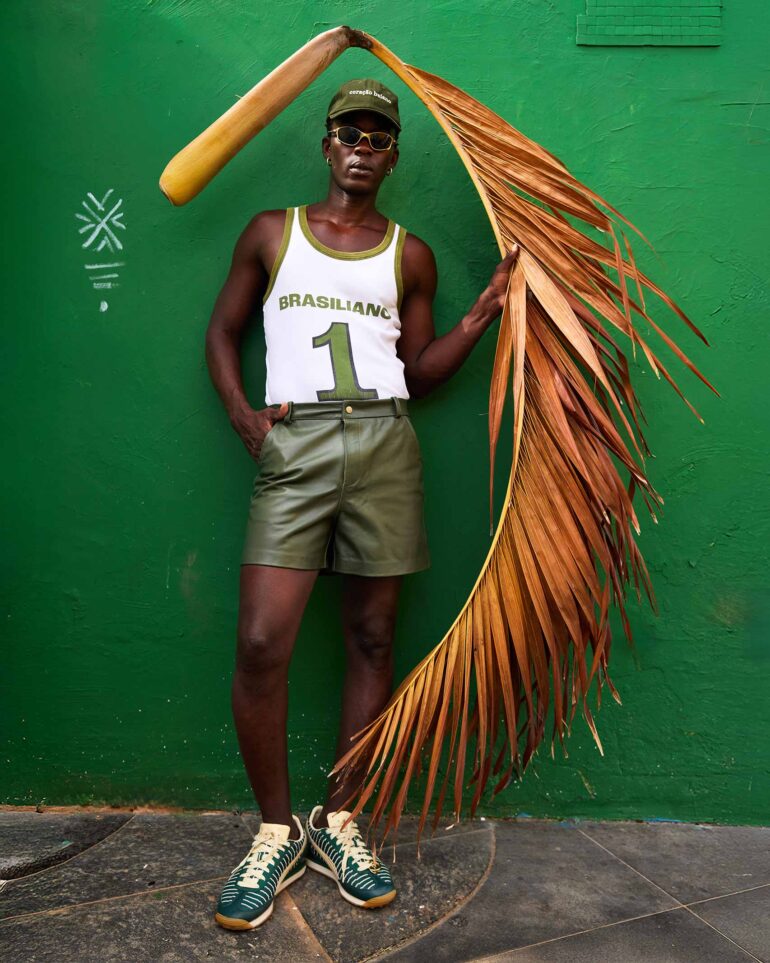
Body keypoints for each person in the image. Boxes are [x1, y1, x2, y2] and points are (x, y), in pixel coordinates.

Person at [205, 77, 519, 931]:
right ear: (326, 142)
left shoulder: (409, 255)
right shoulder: (272, 233)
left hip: (384, 443)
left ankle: (339, 822)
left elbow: (417, 373)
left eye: (379, 136)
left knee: (373, 634)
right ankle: (274, 831)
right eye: (349, 129)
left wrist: (482, 315)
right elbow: (222, 330)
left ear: (391, 156)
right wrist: (247, 421)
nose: (362, 145)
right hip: (295, 444)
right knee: (264, 638)